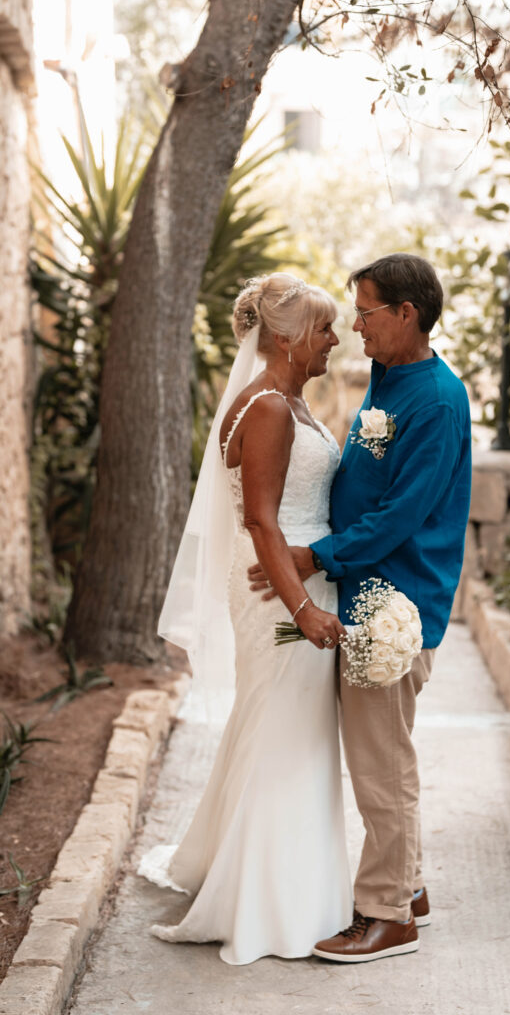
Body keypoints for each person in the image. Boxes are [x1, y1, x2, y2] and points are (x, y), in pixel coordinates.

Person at [250, 253, 472, 962]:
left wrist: (317, 556)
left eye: (367, 310)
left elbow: (404, 514)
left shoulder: (435, 401)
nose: (355, 325)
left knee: (381, 762)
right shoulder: (390, 375)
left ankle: (386, 915)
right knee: (379, 754)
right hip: (366, 585)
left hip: (393, 603)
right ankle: (404, 885)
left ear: (407, 313)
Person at [138, 273, 352, 965]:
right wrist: (305, 607)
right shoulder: (265, 409)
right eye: (323, 328)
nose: (334, 339)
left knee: (285, 728)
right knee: (283, 731)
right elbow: (260, 519)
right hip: (279, 593)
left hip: (294, 578)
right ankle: (265, 901)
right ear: (287, 338)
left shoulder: (288, 400)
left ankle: (283, 879)